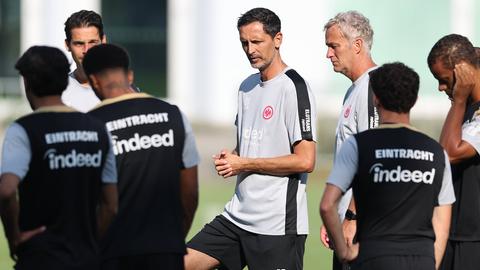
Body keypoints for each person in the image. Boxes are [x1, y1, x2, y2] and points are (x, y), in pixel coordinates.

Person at [184, 7, 317, 270]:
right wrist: (231, 156)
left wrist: (243, 164)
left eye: (257, 41)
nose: (250, 49)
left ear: (277, 40)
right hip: (236, 217)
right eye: (244, 42)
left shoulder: (294, 88)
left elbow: (305, 160)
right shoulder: (246, 87)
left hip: (277, 226)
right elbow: (250, 144)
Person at [320, 62, 455, 270]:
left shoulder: (357, 145)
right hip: (421, 259)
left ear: (376, 99)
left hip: (373, 257)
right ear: (414, 101)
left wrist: (344, 252)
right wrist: (431, 263)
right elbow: (442, 219)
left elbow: (327, 205)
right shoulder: (436, 152)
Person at [0, 46, 118, 270]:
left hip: (40, 257)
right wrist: (91, 241)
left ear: (27, 83)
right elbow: (111, 205)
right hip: (87, 258)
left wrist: (14, 237)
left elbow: (6, 191)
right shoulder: (97, 129)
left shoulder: (23, 130)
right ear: (65, 82)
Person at [83, 44, 200, 270]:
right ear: (129, 75)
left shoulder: (90, 125)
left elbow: (87, 200)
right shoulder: (174, 115)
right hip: (166, 250)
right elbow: (190, 192)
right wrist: (173, 239)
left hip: (112, 252)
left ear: (93, 81)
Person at [321, 10, 378, 270]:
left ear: (357, 45)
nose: (328, 54)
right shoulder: (353, 90)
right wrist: (335, 213)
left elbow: (373, 156)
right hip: (346, 221)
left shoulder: (372, 86)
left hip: (362, 227)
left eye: (334, 46)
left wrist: (353, 216)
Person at [428, 34, 480, 270]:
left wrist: (458, 100)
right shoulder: (468, 109)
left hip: (473, 242)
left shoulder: (465, 106)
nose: (440, 87)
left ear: (463, 74)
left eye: (443, 79)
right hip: (458, 237)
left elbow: (447, 153)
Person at [62, 10, 106, 112]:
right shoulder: (58, 94)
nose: (86, 50)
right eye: (79, 43)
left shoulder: (123, 91)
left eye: (92, 42)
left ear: (103, 41)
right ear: (67, 45)